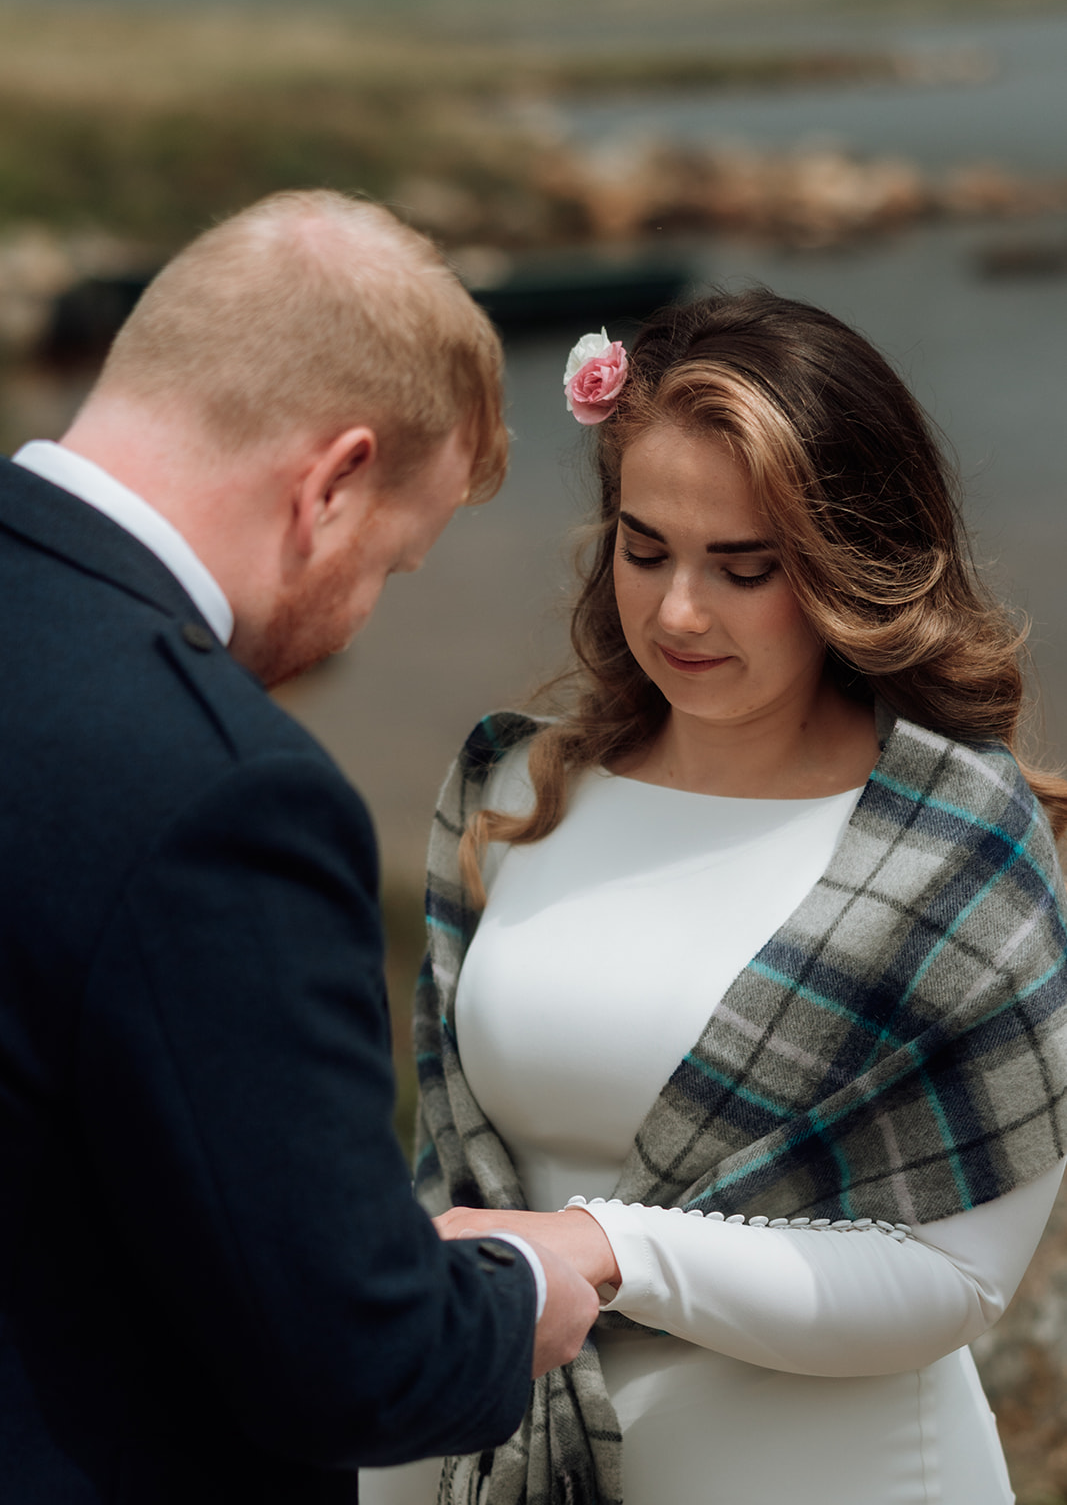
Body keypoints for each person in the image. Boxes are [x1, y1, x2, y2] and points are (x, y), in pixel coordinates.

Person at [366, 291, 1067, 1505]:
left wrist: (607, 1249)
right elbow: (453, 1192)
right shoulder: (511, 787)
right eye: (645, 549)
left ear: (853, 567)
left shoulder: (951, 848)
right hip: (490, 1462)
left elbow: (955, 1285)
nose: (678, 611)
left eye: (743, 568)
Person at [0, 189, 599, 1504]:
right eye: (394, 564)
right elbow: (353, 1360)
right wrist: (524, 1287)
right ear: (331, 484)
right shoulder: (218, 794)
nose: (359, 623)